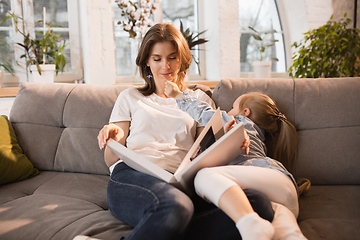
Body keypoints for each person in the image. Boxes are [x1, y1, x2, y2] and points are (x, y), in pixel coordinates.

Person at [96, 23, 275, 240]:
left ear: (181, 58)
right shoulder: (130, 97)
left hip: (181, 181)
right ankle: (170, 220)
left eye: (172, 57)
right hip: (133, 176)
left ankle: (167, 228)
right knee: (175, 206)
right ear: (146, 61)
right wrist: (113, 137)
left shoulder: (197, 101)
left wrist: (228, 140)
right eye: (157, 58)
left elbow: (206, 151)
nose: (166, 66)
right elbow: (110, 159)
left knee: (258, 205)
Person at [165, 84, 310, 240]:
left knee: (203, 175)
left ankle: (248, 224)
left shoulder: (239, 122)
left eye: (232, 108)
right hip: (285, 193)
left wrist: (179, 95)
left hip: (270, 179)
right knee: (286, 234)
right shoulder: (259, 135)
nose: (228, 112)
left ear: (245, 112)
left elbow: (205, 113)